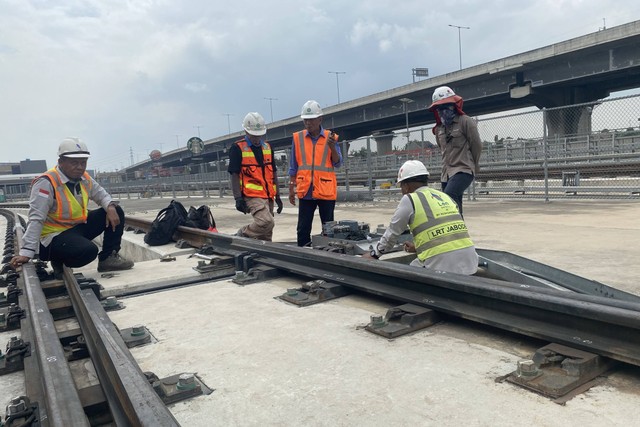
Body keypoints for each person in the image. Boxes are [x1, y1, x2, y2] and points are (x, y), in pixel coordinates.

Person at [10, 138, 134, 278]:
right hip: (51, 239)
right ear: (61, 162)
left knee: (115, 210)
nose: (80, 167)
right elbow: (36, 219)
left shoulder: (84, 178)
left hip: (75, 229)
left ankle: (108, 258)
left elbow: (102, 195)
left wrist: (110, 207)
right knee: (88, 251)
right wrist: (26, 252)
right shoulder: (46, 183)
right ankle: (58, 260)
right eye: (74, 163)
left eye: (83, 162)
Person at [364, 160, 478, 275]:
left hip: (444, 267)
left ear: (406, 186)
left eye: (401, 186)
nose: (401, 191)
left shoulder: (410, 199)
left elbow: (392, 233)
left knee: (406, 276)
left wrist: (374, 254)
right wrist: (418, 247)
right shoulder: (445, 197)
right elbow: (446, 236)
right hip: (470, 263)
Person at [288, 100, 343, 247]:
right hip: (306, 189)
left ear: (320, 119)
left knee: (328, 229)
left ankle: (329, 255)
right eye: (305, 120)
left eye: (311, 120)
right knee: (303, 228)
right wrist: (291, 187)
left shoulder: (330, 137)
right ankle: (304, 256)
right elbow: (294, 165)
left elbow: (338, 163)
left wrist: (332, 147)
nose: (308, 123)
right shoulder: (298, 138)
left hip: (325, 189)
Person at [228, 112, 283, 241]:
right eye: (253, 135)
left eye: (259, 135)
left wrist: (278, 196)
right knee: (266, 222)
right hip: (251, 195)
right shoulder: (237, 148)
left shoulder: (267, 147)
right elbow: (234, 174)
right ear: (246, 131)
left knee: (266, 233)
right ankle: (243, 233)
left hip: (268, 194)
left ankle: (263, 255)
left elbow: (273, 173)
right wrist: (238, 198)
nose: (256, 138)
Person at [428, 86, 482, 216]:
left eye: (447, 106)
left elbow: (476, 145)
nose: (443, 111)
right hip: (446, 173)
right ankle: (459, 232)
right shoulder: (439, 129)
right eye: (439, 108)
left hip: (463, 169)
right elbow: (442, 149)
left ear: (454, 105)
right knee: (453, 209)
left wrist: (473, 165)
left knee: (448, 197)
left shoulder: (466, 122)